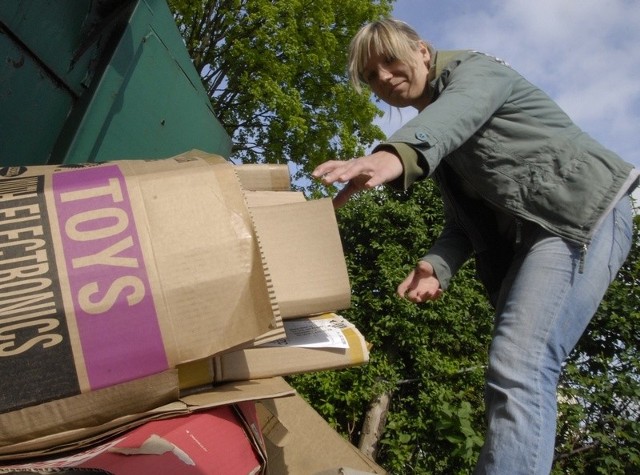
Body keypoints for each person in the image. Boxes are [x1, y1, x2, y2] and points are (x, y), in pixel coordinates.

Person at [312, 18, 639, 475]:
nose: (382, 78)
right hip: (533, 240)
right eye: (369, 75)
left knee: (520, 364)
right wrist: (435, 265)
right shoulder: (443, 145)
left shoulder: (475, 72)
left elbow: (457, 113)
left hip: (581, 214)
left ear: (423, 51)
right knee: (507, 373)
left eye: (389, 60)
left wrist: (393, 154)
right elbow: (464, 224)